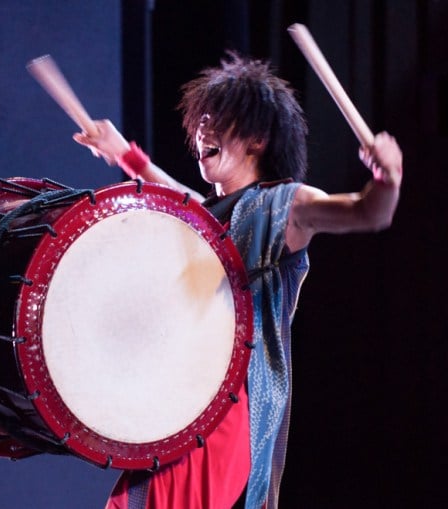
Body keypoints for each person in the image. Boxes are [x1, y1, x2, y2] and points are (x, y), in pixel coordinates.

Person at [73, 52, 402, 509]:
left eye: (219, 119)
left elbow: (369, 212)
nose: (203, 128)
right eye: (200, 119)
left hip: (225, 413)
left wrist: (388, 179)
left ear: (257, 139)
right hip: (177, 410)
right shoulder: (205, 216)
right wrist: (122, 152)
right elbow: (173, 192)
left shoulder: (286, 205)